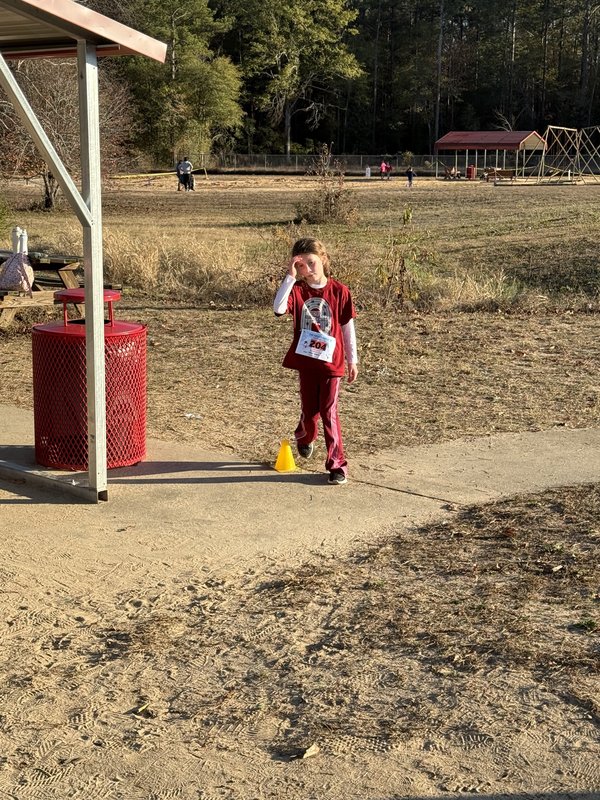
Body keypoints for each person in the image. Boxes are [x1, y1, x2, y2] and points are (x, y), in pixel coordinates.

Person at [273, 237, 358, 485]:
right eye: (301, 266)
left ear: (323, 260)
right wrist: (289, 277)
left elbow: (347, 327)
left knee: (329, 411)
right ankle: (304, 435)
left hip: (332, 364)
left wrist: (353, 360)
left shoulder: (340, 291)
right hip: (307, 362)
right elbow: (278, 308)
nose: (307, 270)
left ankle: (336, 465)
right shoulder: (298, 291)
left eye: (311, 263)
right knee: (311, 413)